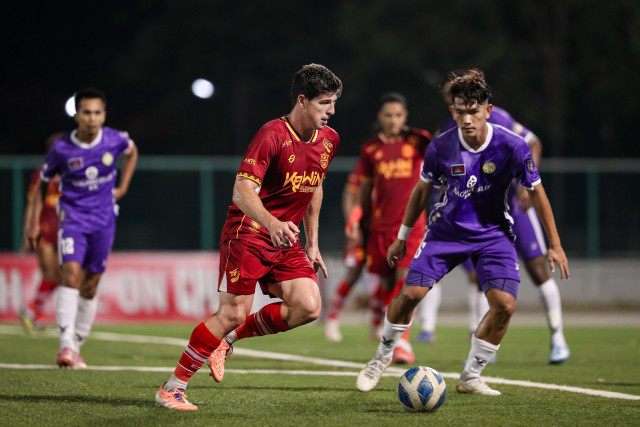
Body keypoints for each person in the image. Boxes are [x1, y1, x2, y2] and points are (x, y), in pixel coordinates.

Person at [356, 69, 569, 396]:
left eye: (473, 111)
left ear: (487, 110)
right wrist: (402, 236)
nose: (467, 119)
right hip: (446, 232)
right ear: (452, 111)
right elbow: (421, 191)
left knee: (504, 306)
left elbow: (537, 192)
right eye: (460, 111)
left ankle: (471, 375)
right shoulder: (441, 146)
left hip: (494, 234)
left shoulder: (512, 145)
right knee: (411, 294)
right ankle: (381, 357)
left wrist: (555, 244)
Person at [155, 63, 343, 411]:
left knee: (308, 306)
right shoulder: (272, 134)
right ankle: (172, 387)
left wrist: (313, 242)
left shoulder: (329, 140)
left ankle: (229, 340)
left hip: (285, 238)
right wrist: (272, 223)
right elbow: (241, 191)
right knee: (233, 312)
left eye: (334, 102)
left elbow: (315, 185)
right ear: (302, 100)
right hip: (249, 233)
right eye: (324, 102)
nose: (331, 110)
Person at [416, 79, 570, 364]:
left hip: (515, 206)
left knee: (538, 270)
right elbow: (439, 178)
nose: (464, 114)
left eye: (469, 105)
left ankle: (558, 338)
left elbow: (533, 142)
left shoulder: (500, 118)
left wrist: (525, 184)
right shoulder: (447, 132)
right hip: (478, 216)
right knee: (479, 278)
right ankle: (482, 341)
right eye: (456, 105)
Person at [26, 88, 138, 368]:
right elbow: (42, 183)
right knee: (71, 276)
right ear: (77, 115)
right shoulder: (62, 148)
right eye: (86, 113)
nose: (92, 118)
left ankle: (76, 344)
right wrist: (34, 222)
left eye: (97, 113)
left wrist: (124, 186)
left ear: (104, 115)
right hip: (73, 220)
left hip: (104, 221)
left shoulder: (115, 139)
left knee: (90, 286)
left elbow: (132, 152)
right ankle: (65, 346)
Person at [346, 92, 432, 365]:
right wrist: (357, 220)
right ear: (380, 117)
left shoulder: (419, 141)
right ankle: (391, 339)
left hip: (411, 226)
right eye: (388, 115)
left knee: (405, 283)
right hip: (381, 226)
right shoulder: (371, 148)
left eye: (398, 115)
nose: (393, 120)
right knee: (385, 285)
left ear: (405, 117)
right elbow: (365, 188)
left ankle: (403, 342)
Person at [324, 159, 383, 342]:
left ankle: (377, 325)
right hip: (361, 230)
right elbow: (349, 195)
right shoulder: (366, 164)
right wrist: (352, 224)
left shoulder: (396, 163)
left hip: (381, 231)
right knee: (353, 274)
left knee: (380, 276)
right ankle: (332, 320)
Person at [19, 133, 64, 333]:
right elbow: (32, 204)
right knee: (50, 272)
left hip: (65, 229)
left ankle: (32, 307)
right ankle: (37, 312)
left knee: (63, 275)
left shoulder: (72, 172)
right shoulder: (42, 174)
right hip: (44, 228)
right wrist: (27, 231)